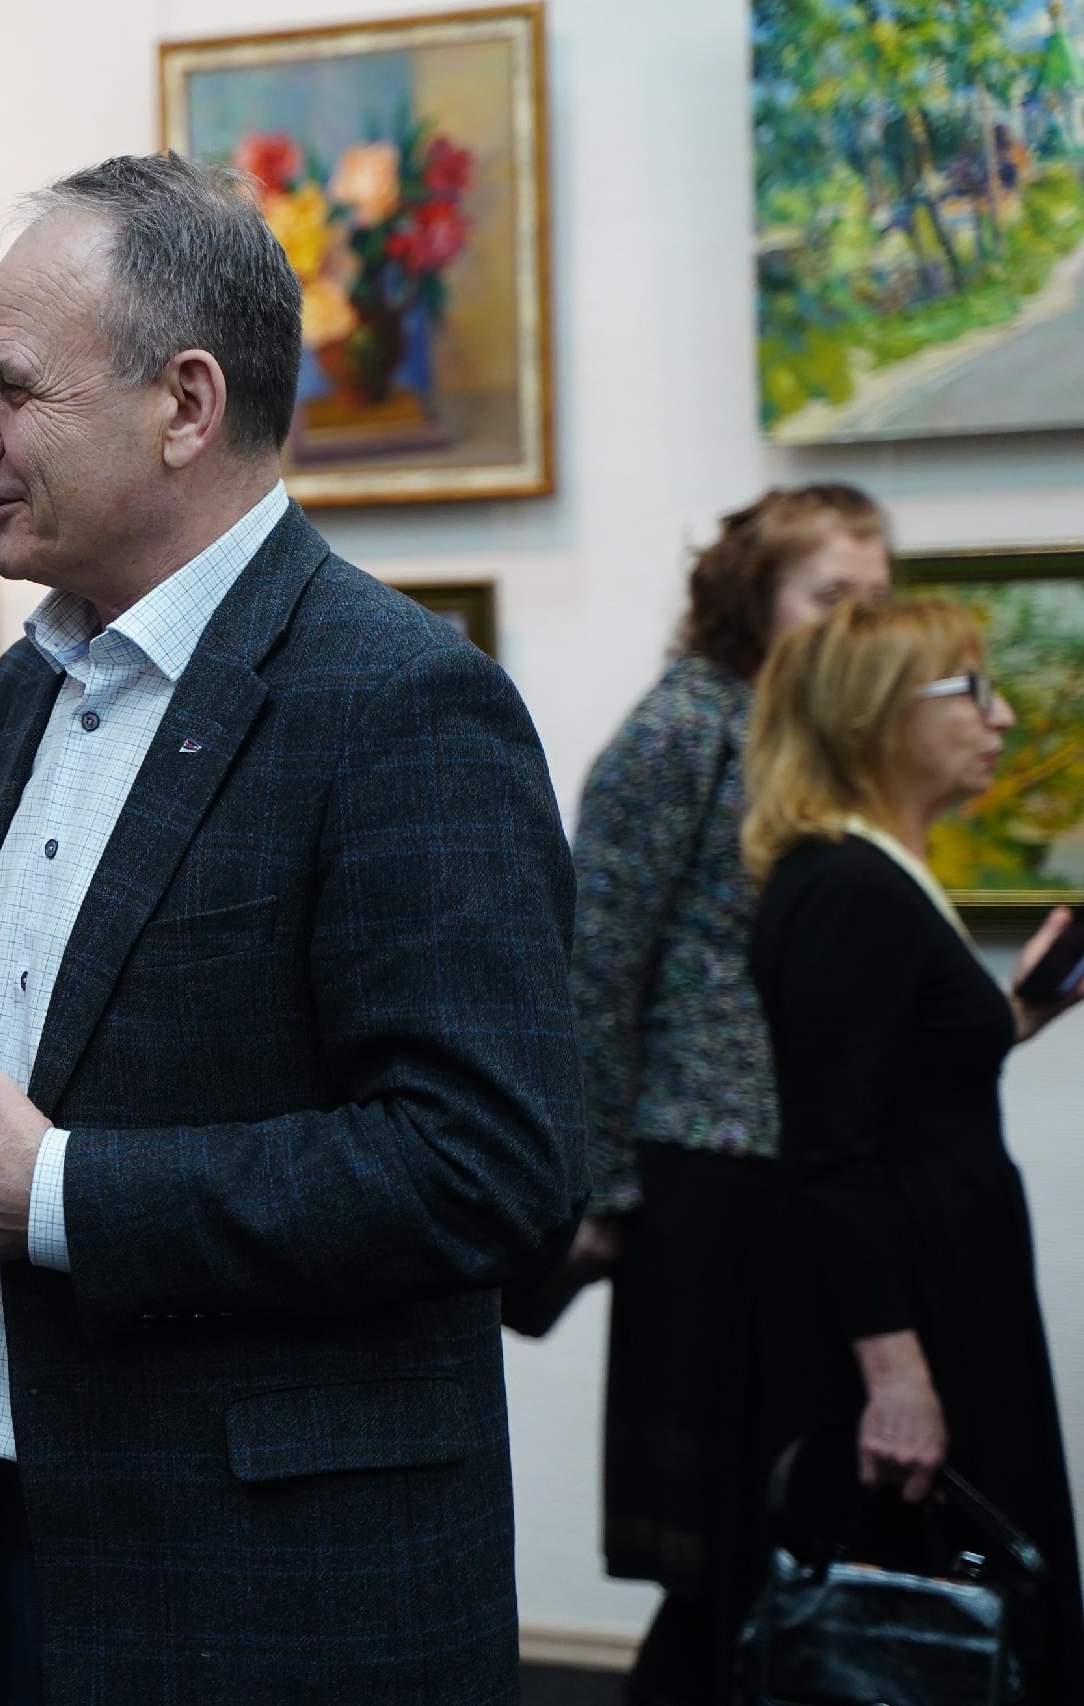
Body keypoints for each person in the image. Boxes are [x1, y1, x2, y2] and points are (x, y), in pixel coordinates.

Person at [0, 153, 585, 1705]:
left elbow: (490, 1168)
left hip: (280, 1591)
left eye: (11, 386)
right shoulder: (35, 683)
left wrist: (59, 1196)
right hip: (29, 1512)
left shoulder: (402, 702)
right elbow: (60, 1061)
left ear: (184, 404)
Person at [560, 486, 891, 1703]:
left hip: (803, 1170)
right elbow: (596, 967)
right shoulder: (685, 729)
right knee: (723, 1542)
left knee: (801, 1521)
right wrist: (600, 1186)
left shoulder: (820, 734)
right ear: (754, 599)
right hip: (703, 1173)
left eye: (874, 600)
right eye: (828, 596)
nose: (855, 625)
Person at [744, 597, 1084, 1699]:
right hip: (912, 1305)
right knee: (930, 1620)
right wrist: (897, 1379)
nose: (1002, 715)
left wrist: (1017, 1012)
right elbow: (832, 1149)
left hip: (945, 1280)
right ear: (879, 713)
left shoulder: (876, 873)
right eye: (973, 691)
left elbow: (903, 1082)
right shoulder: (846, 886)